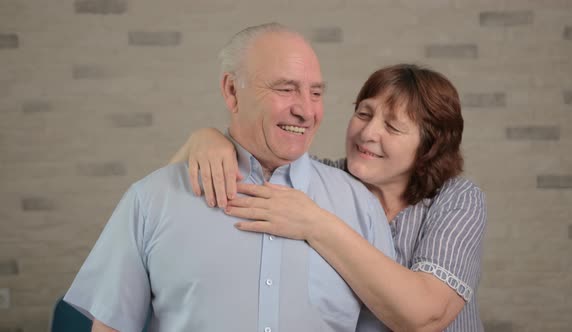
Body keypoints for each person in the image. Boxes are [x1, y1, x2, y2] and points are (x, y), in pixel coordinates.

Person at [63, 23, 396, 332]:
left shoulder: (360, 206)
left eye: (316, 93)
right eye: (286, 89)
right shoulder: (151, 200)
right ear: (232, 91)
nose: (306, 111)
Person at [173, 64, 487, 331]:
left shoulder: (457, 199)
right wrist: (205, 139)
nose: (367, 133)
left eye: (391, 126)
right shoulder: (317, 177)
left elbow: (425, 316)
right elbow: (169, 193)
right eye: (364, 114)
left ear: (429, 146)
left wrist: (315, 224)